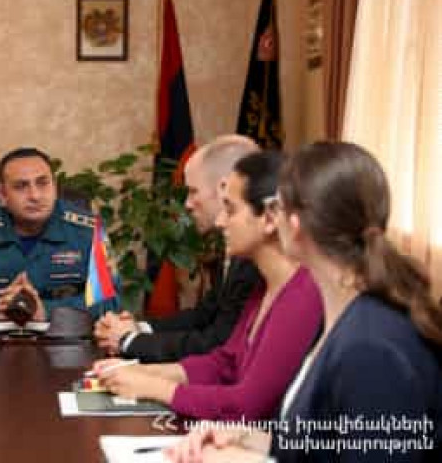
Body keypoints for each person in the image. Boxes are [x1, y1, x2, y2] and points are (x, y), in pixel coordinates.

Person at [167, 142, 442, 462]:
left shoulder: (372, 349)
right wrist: (249, 438)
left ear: (294, 223)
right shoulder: (343, 314)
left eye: (276, 207)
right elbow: (327, 443)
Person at [91, 151, 323, 421]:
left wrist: (156, 387)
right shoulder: (264, 286)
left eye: (231, 210)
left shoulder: (302, 295)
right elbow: (225, 363)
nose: (220, 221)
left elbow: (246, 406)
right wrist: (145, 372)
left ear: (270, 219)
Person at [94, 135, 263, 362]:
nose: (187, 204)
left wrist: (129, 341)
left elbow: (218, 343)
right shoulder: (233, 246)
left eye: (193, 191)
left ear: (224, 188)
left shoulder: (253, 257)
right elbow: (205, 315)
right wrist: (138, 328)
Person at [0, 147, 120, 321]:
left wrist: (45, 310)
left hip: (67, 339)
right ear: (2, 195)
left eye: (43, 183)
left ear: (55, 187)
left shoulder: (88, 231)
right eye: (21, 186)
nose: (35, 196)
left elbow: (111, 301)